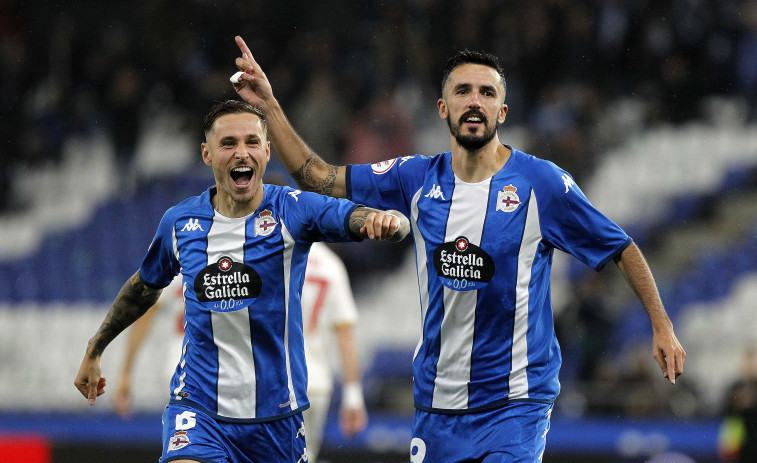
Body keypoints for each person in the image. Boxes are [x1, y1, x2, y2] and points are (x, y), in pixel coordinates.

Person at [230, 36, 686, 462]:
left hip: (515, 404)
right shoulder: (415, 177)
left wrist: (661, 325)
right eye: (463, 91)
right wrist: (269, 106)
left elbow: (620, 247)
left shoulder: (541, 184)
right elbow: (319, 178)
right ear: (444, 108)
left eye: (486, 93)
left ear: (502, 111)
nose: (475, 101)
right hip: (438, 404)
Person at [74, 99, 410, 463]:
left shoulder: (292, 210)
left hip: (275, 418)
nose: (241, 153)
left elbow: (352, 215)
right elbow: (144, 287)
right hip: (200, 409)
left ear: (267, 151)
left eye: (251, 142)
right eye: (228, 143)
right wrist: (95, 349)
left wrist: (384, 220)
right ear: (207, 153)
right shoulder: (180, 222)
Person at [112, 242, 368, 462]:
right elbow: (344, 330)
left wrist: (126, 371)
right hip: (309, 381)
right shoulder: (328, 263)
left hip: (204, 374)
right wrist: (353, 394)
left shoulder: (214, 249)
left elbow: (148, 303)